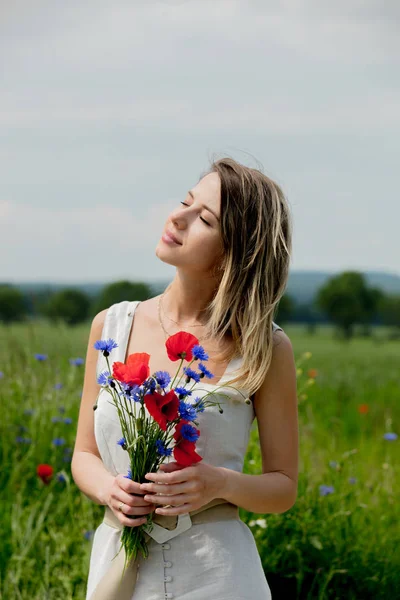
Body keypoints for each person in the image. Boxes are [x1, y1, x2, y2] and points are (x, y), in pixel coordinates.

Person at [72, 156, 298, 600]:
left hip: (219, 576)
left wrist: (220, 483)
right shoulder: (111, 327)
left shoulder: (265, 348)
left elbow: (283, 487)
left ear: (236, 251)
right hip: (117, 568)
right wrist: (110, 490)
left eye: (204, 219)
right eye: (185, 202)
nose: (177, 216)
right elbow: (83, 455)